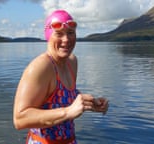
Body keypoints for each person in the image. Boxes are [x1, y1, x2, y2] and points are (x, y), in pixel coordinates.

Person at [13, 9, 109, 144]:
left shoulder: (72, 61)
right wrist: (68, 112)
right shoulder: (40, 67)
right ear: (48, 36)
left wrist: (90, 104)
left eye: (70, 33)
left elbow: (60, 97)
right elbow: (20, 119)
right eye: (59, 34)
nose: (66, 39)